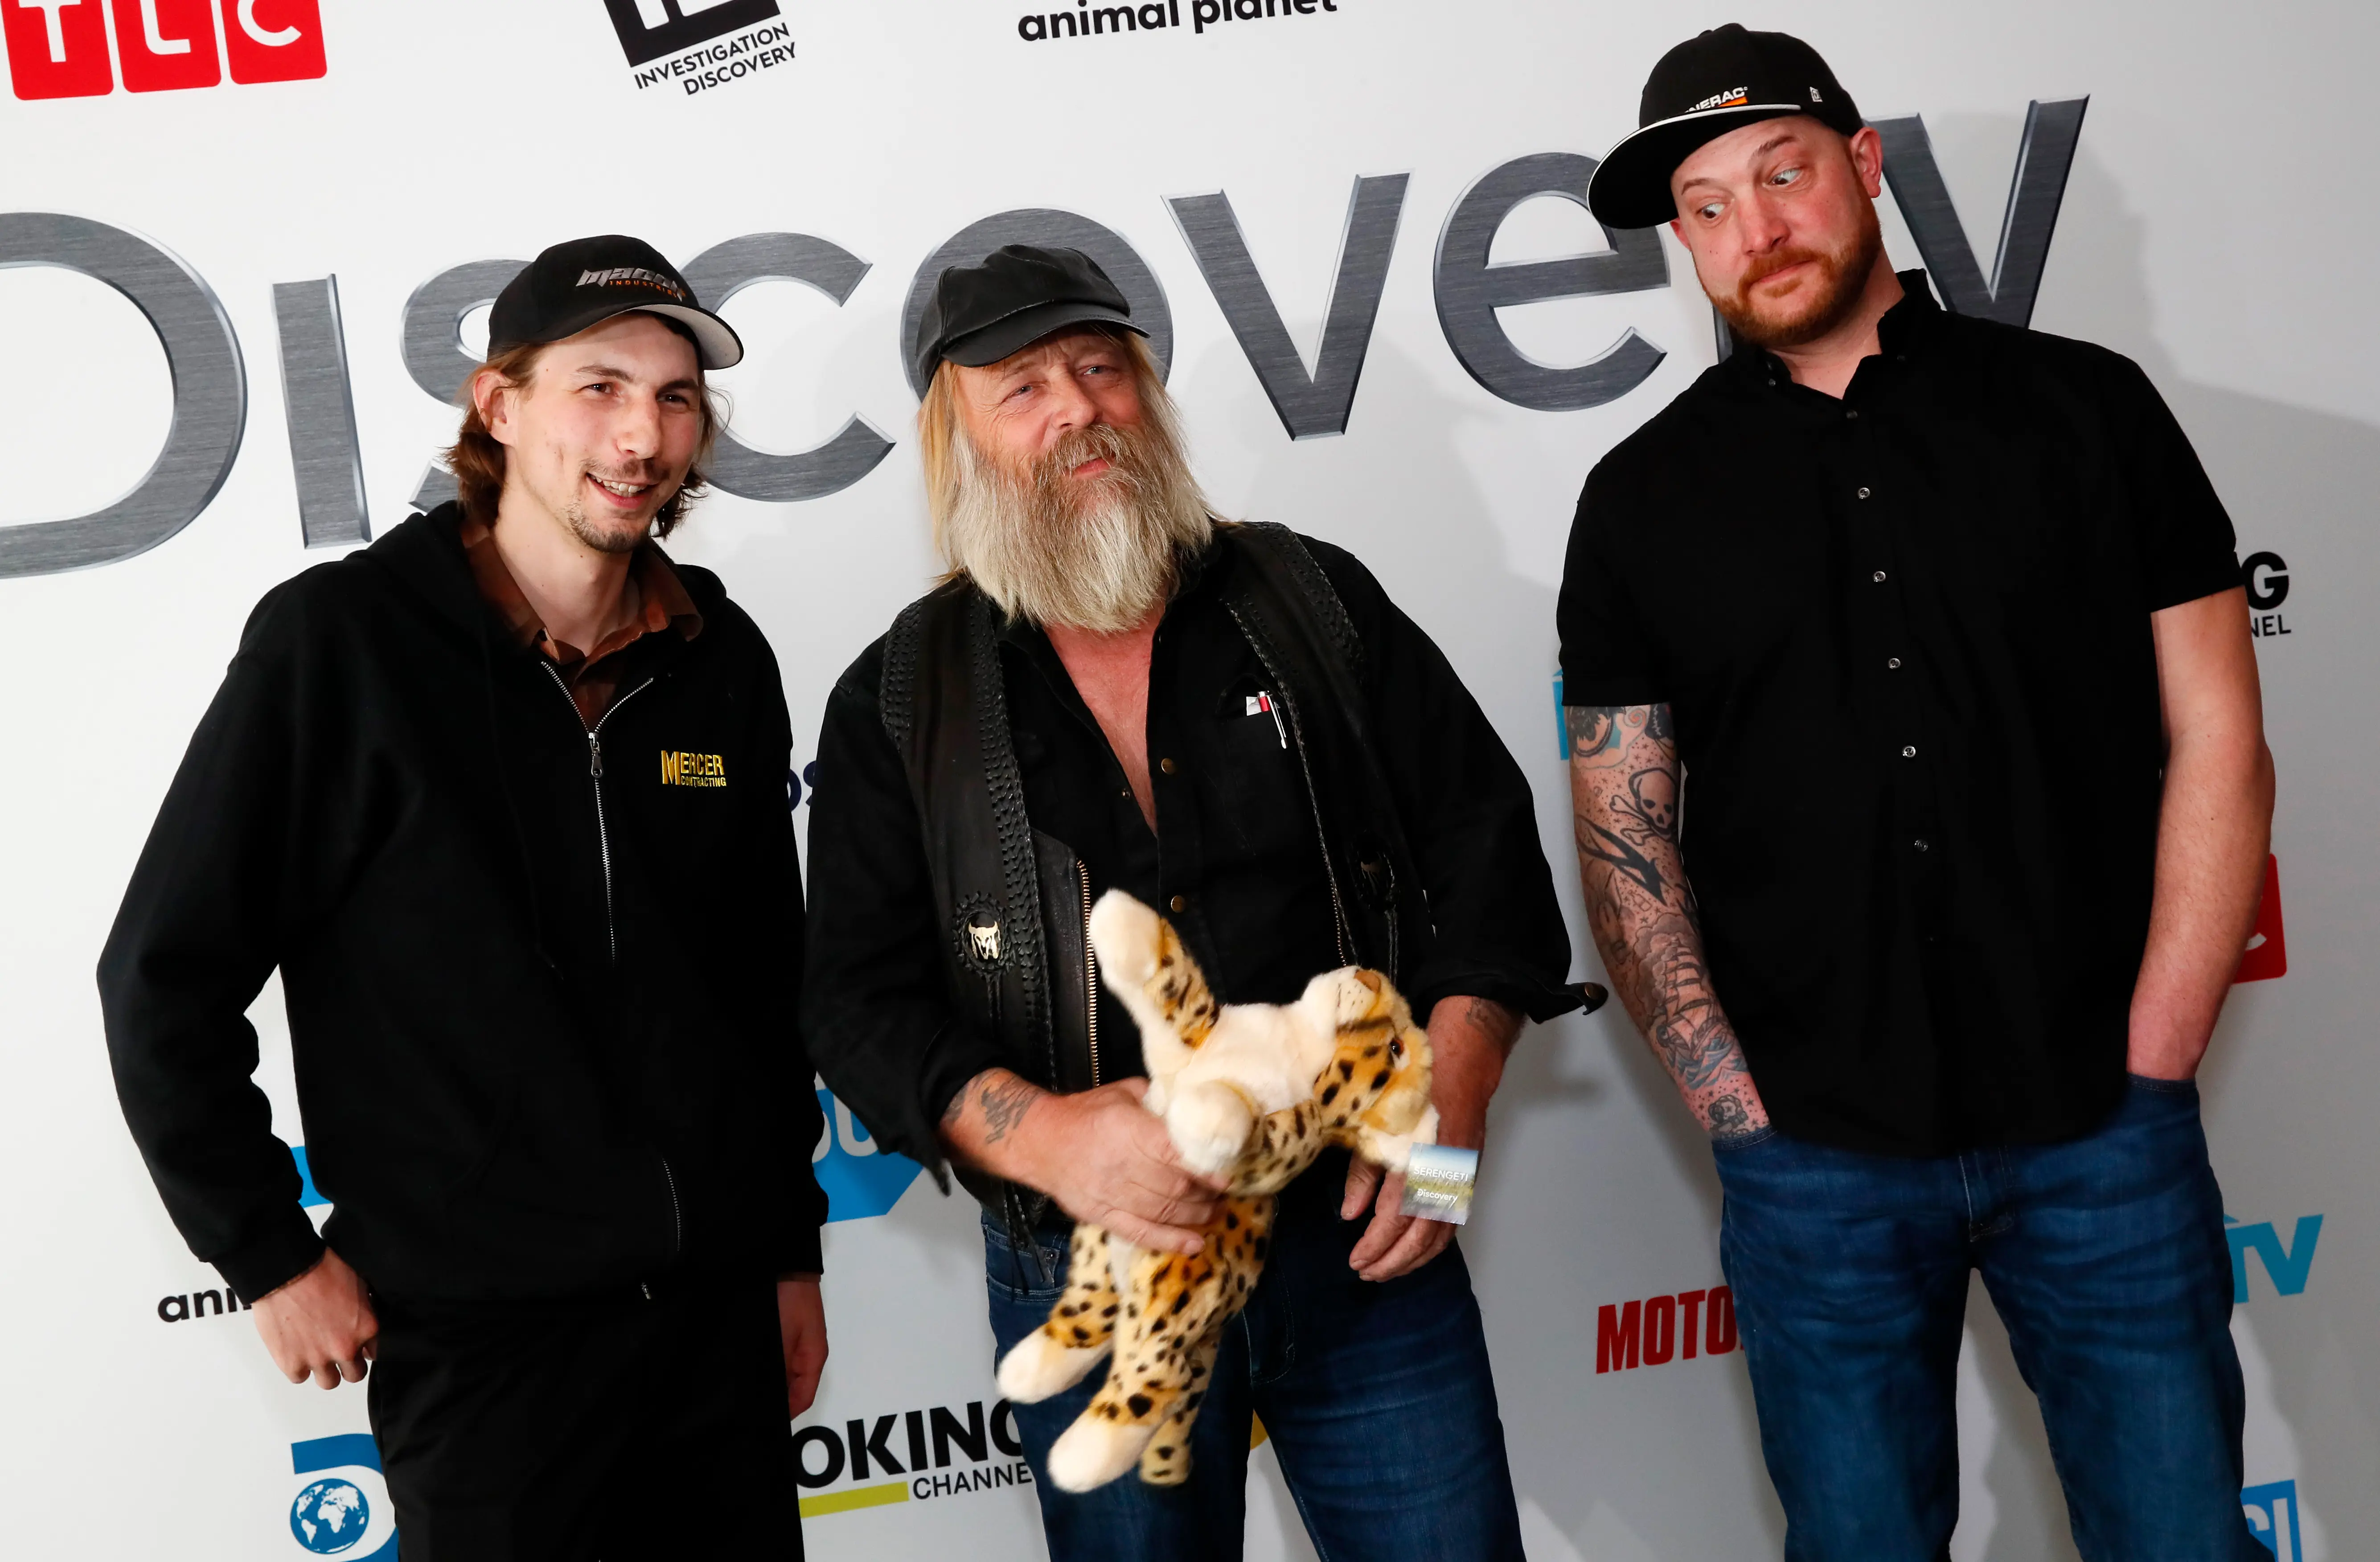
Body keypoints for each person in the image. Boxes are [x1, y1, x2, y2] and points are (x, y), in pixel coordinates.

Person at [1559, 25, 2275, 1561]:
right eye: (1705, 203)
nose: (1752, 227)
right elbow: (1622, 828)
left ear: (1862, 166)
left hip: (2102, 1127)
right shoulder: (1636, 502)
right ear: (1679, 239)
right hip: (1812, 1167)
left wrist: (2154, 1058)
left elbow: (2219, 735)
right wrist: (1730, 1109)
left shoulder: (2087, 410)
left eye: (1782, 171)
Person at [804, 243, 1578, 1560]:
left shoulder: (1312, 599)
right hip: (1090, 1270)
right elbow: (855, 999)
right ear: (957, 440)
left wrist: (1448, 1111)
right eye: (1023, 386)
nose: (1077, 409)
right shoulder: (898, 697)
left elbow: (1486, 854)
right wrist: (1042, 1137)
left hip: (1366, 1245)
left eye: (1100, 369)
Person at [98, 235, 828, 1560]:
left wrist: (787, 1251)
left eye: (674, 398)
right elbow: (163, 975)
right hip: (487, 1350)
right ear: (500, 407)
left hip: (714, 1327)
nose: (641, 435)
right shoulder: (344, 643)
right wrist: (266, 1249)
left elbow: (759, 989)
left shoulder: (721, 658)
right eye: (598, 387)